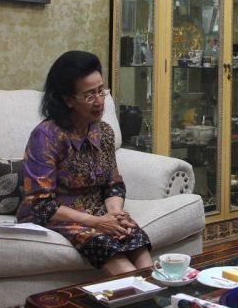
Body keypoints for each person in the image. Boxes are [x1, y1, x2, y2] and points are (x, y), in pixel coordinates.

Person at [16, 51, 153, 275]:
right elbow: (41, 204)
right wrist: (96, 222)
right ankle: (135, 296)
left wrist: (115, 214)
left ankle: (160, 296)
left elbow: (113, 185)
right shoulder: (47, 136)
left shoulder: (104, 132)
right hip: (57, 215)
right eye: (89, 96)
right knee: (115, 256)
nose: (99, 101)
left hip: (97, 210)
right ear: (68, 99)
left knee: (136, 243)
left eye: (101, 91)